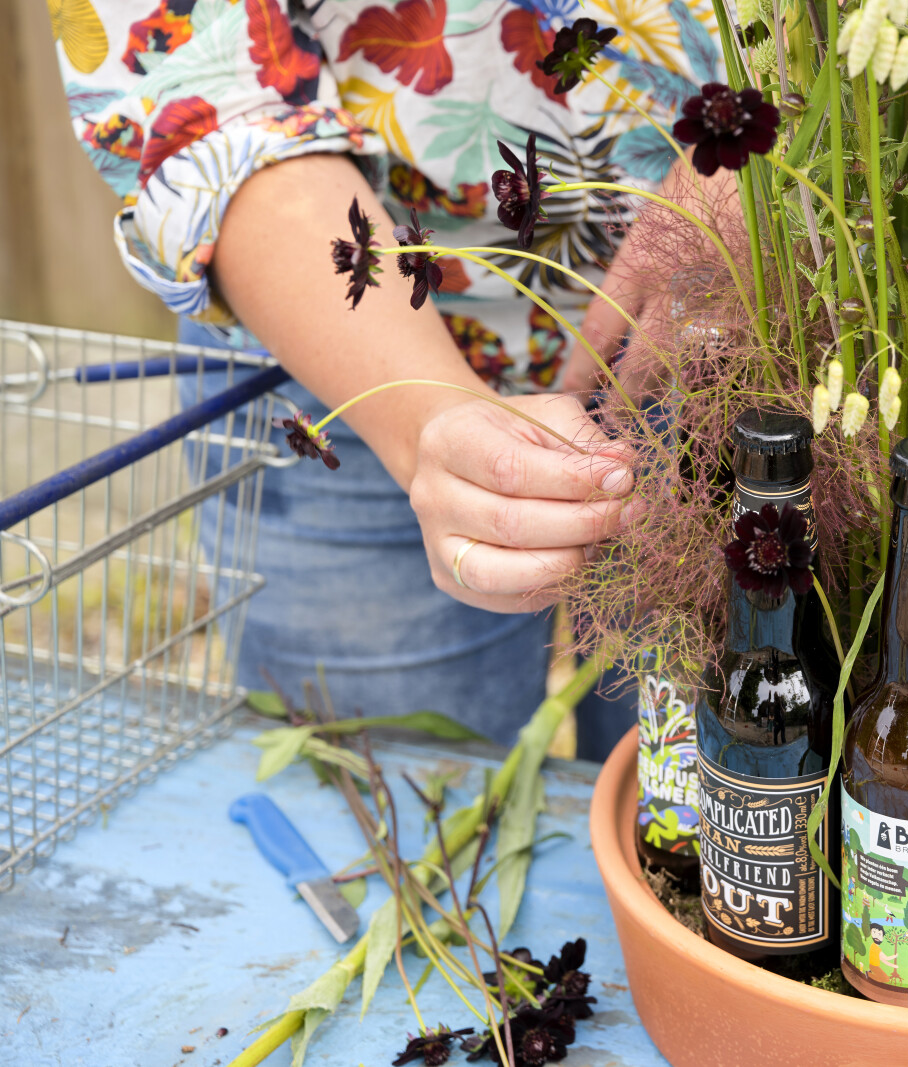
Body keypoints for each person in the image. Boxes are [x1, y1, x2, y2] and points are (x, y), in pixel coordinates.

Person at [51, 0, 729, 750]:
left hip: (734, 330)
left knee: (711, 788)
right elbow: (202, 102)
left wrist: (759, 165)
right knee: (400, 788)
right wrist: (423, 414)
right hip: (330, 352)